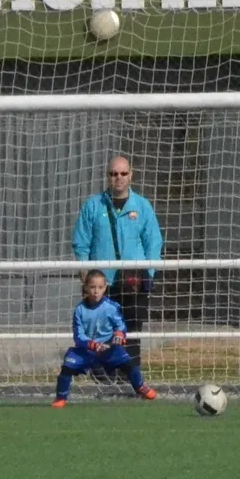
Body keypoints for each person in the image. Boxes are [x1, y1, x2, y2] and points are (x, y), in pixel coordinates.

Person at [72, 155, 163, 379]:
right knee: (101, 331)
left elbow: (154, 242)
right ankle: (103, 379)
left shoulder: (142, 206)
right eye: (114, 174)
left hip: (134, 281)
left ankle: (130, 379)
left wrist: (149, 273)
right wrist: (86, 277)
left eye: (123, 173)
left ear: (131, 175)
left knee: (131, 332)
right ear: (108, 177)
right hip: (103, 283)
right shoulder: (93, 205)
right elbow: (81, 243)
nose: (119, 178)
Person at [52, 270, 156, 408]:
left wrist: (119, 334)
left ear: (105, 288)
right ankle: (60, 398)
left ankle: (140, 387)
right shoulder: (79, 310)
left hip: (108, 349)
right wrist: (92, 345)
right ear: (86, 287)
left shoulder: (112, 307)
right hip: (87, 350)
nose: (96, 291)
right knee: (67, 367)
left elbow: (120, 326)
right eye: (92, 287)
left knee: (129, 364)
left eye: (100, 287)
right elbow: (78, 336)